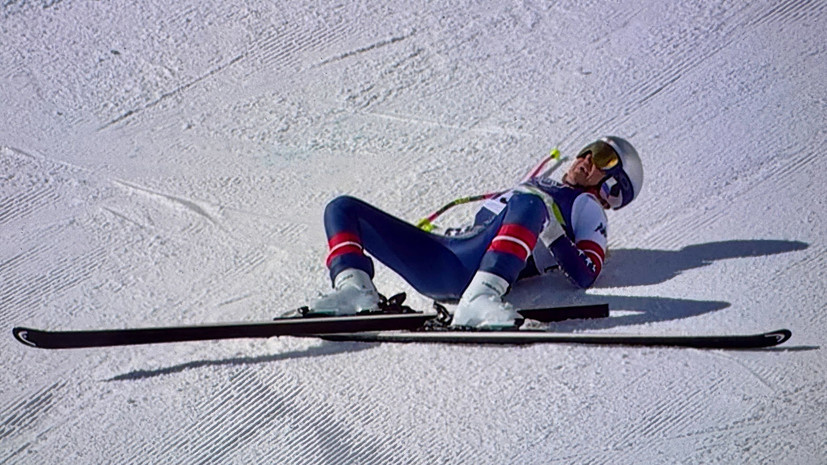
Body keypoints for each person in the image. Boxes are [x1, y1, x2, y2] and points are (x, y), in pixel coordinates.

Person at [310, 136, 643, 329]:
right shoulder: (542, 188)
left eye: (603, 157)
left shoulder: (587, 205)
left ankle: (483, 296)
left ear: (613, 186)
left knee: (530, 203)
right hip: (445, 257)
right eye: (589, 149)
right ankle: (355, 290)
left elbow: (586, 274)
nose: (587, 158)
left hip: (479, 270)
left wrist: (551, 230)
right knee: (342, 208)